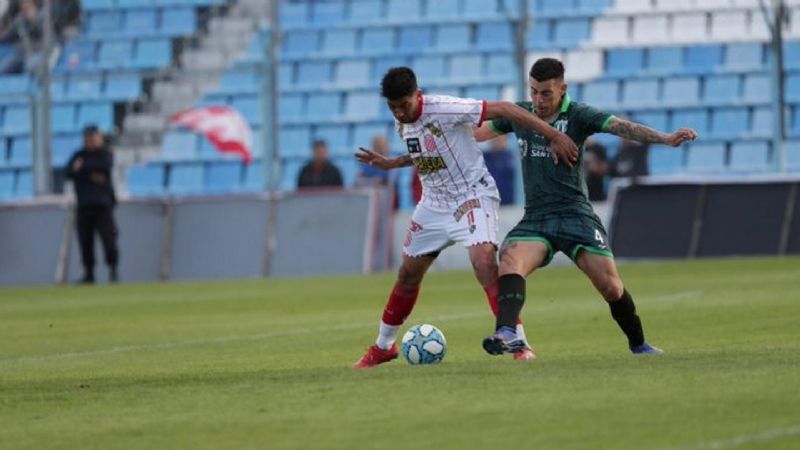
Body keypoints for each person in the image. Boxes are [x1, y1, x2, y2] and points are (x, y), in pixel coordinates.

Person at [352, 66, 579, 368]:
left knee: (483, 261)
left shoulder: (445, 108)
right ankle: (384, 346)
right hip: (434, 203)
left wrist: (553, 135)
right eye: (393, 108)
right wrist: (393, 163)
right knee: (407, 275)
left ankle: (517, 341)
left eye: (404, 105)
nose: (400, 113)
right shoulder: (402, 121)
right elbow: (427, 153)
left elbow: (506, 108)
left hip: (471, 195)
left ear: (417, 95)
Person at [475, 58, 697, 356]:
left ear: (563, 89)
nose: (538, 101)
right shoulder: (521, 114)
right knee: (510, 259)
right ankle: (507, 331)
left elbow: (623, 127)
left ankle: (638, 344)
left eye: (546, 93)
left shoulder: (579, 115)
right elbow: (478, 133)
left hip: (576, 215)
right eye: (534, 92)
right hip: (537, 218)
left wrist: (665, 139)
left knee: (611, 287)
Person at [65, 125, 119, 284]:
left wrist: (82, 169)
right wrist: (91, 173)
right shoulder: (79, 155)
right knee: (85, 241)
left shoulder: (104, 154)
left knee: (109, 240)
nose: (92, 140)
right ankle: (89, 274)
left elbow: (105, 166)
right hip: (84, 206)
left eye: (94, 137)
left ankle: (113, 272)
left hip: (103, 205)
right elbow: (68, 172)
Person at [482, 134, 516, 205]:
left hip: (508, 204)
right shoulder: (483, 158)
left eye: (500, 138)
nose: (497, 140)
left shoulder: (509, 157)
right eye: (495, 138)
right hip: (489, 203)